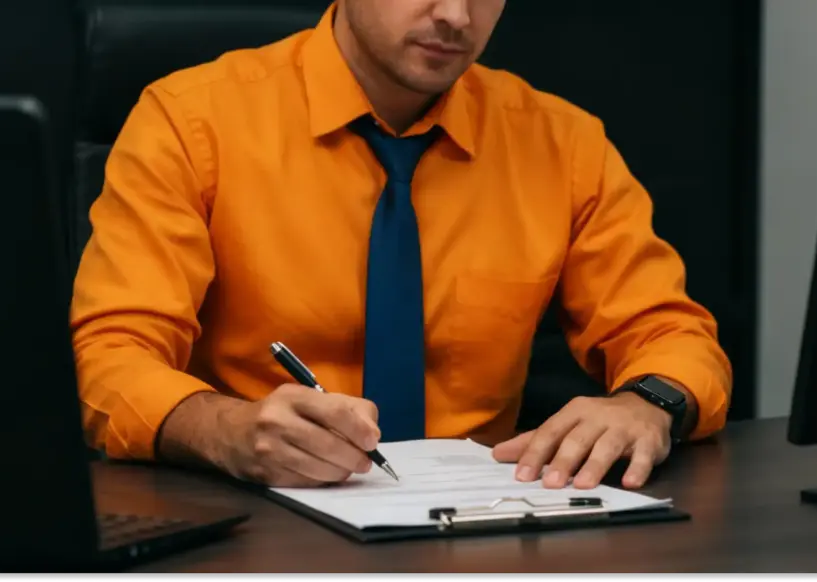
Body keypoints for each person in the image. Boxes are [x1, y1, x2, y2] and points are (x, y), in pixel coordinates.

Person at [71, 0, 732, 491]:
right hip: (259, 511)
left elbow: (671, 336)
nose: (454, 15)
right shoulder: (191, 122)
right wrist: (229, 433)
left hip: (479, 521)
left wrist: (649, 404)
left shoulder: (561, 144)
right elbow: (109, 360)